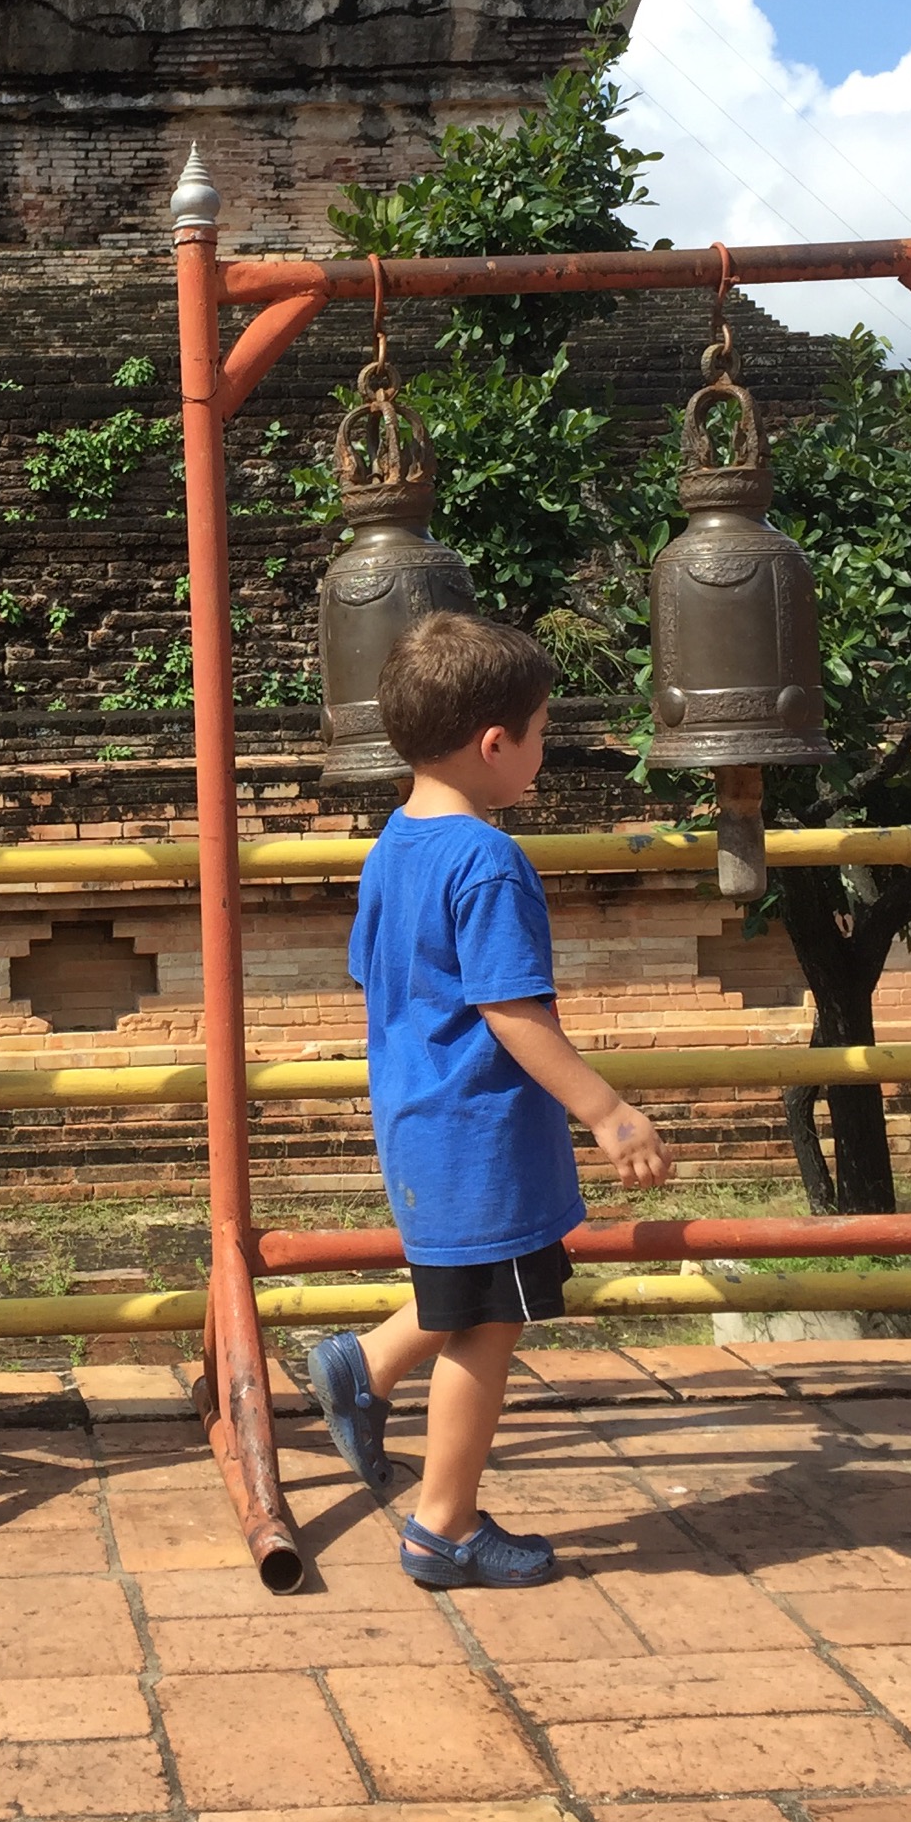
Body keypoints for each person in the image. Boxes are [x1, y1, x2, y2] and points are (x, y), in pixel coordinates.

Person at [308, 611, 671, 1589]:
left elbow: (377, 979)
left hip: (420, 1122)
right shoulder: (487, 860)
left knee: (466, 1294)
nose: (544, 753)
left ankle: (364, 1367)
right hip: (480, 1133)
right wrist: (607, 1111)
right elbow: (511, 1010)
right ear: (495, 743)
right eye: (542, 733)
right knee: (487, 1327)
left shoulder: (393, 846)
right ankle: (444, 1526)